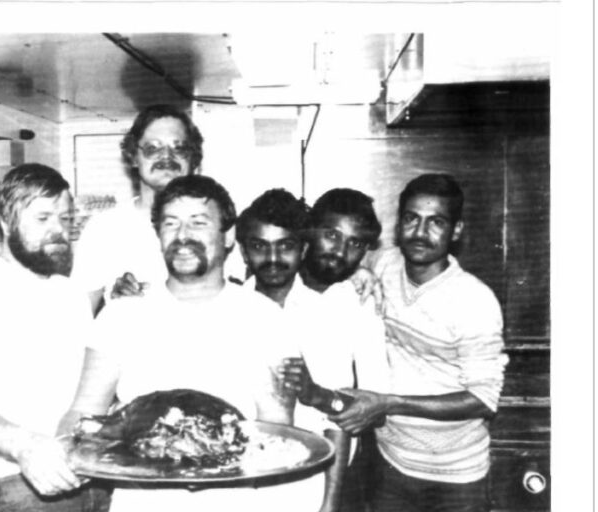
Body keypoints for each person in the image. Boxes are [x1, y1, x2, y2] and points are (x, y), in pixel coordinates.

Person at [63, 175, 323, 512]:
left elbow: (275, 429)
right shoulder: (120, 317)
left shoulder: (265, 319)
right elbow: (84, 413)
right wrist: (64, 454)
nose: (183, 236)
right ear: (158, 234)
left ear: (228, 236)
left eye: (198, 223)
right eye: (171, 223)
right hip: (142, 503)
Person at [328, 173, 508, 512]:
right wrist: (357, 272)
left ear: (456, 231)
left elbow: (483, 399)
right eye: (411, 219)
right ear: (399, 225)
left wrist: (387, 403)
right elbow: (339, 261)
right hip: (390, 466)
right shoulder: (384, 263)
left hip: (457, 478)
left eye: (436, 222)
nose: (420, 233)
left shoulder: (475, 300)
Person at [0, 164, 110, 512]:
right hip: (19, 483)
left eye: (65, 218)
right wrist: (26, 447)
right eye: (43, 218)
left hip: (92, 476)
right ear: (5, 221)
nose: (58, 230)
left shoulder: (72, 294)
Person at [235, 188, 388, 512]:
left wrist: (313, 392)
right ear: (244, 252)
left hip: (314, 481)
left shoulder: (330, 312)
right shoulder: (229, 308)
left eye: (286, 246)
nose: (273, 258)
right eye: (260, 247)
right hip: (240, 482)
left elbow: (347, 419)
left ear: (301, 248)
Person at [70, 104, 204, 314]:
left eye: (178, 148)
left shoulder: (214, 223)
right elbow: (78, 317)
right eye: (153, 148)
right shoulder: (103, 229)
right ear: (133, 156)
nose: (167, 157)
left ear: (193, 158)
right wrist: (113, 309)